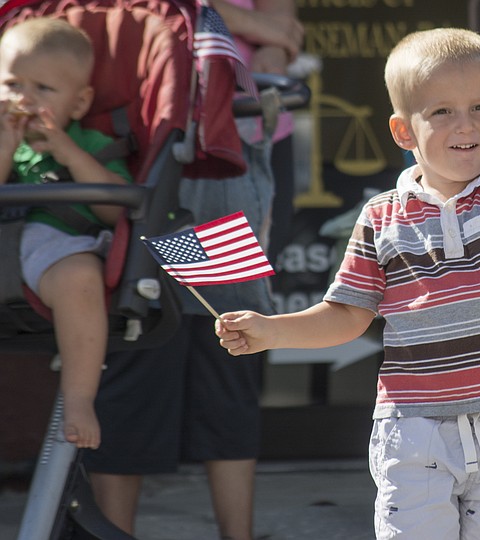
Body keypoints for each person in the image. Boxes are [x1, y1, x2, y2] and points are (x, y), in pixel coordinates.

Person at [217, 27, 480, 539]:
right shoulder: (380, 217)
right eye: (441, 112)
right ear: (402, 132)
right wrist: (272, 330)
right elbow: (348, 314)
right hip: (415, 435)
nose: (465, 124)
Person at [82, 1, 304, 539]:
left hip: (231, 157)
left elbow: (284, 38)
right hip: (137, 152)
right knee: (137, 343)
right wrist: (229, 19)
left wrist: (212, 21)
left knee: (229, 343)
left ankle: (238, 534)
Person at [0, 17, 132, 450]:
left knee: (81, 278)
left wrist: (68, 151)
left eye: (44, 89)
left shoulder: (91, 144)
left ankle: (78, 399)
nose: (23, 98)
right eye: (12, 83)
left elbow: (117, 212)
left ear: (78, 103)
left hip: (57, 251)